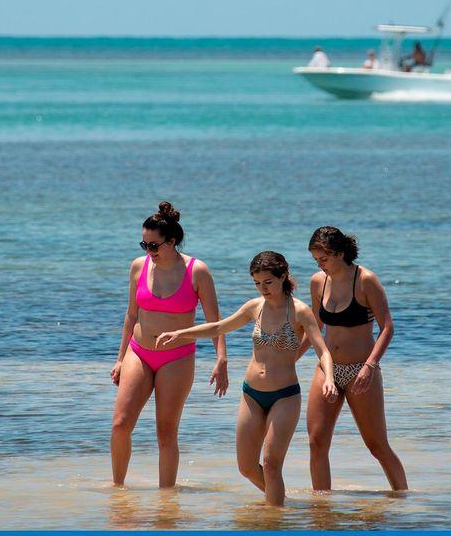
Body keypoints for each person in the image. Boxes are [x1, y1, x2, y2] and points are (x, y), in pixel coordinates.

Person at [156, 251, 338, 506]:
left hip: (285, 396)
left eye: (268, 282)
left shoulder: (300, 311)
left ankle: (273, 519)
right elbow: (219, 327)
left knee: (272, 465)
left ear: (283, 276)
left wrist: (329, 377)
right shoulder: (254, 307)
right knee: (246, 467)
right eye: (257, 283)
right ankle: (281, 503)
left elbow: (323, 349)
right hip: (251, 394)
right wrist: (181, 333)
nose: (262, 288)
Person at [110, 201, 228, 488]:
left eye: (154, 246)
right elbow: (131, 314)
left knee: (165, 432)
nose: (148, 252)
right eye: (144, 244)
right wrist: (120, 357)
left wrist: (221, 359)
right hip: (139, 353)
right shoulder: (138, 266)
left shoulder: (197, 271)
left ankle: (166, 501)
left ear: (172, 242)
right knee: (120, 425)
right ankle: (118, 493)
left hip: (176, 357)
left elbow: (215, 321)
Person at [299, 226, 408, 492]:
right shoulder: (318, 282)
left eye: (323, 259)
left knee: (376, 445)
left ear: (339, 253)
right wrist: (288, 359)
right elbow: (314, 328)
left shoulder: (365, 279)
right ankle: (322, 506)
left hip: (361, 369)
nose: (320, 264)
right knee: (316, 441)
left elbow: (388, 327)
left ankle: (403, 499)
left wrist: (370, 366)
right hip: (327, 370)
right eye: (316, 260)